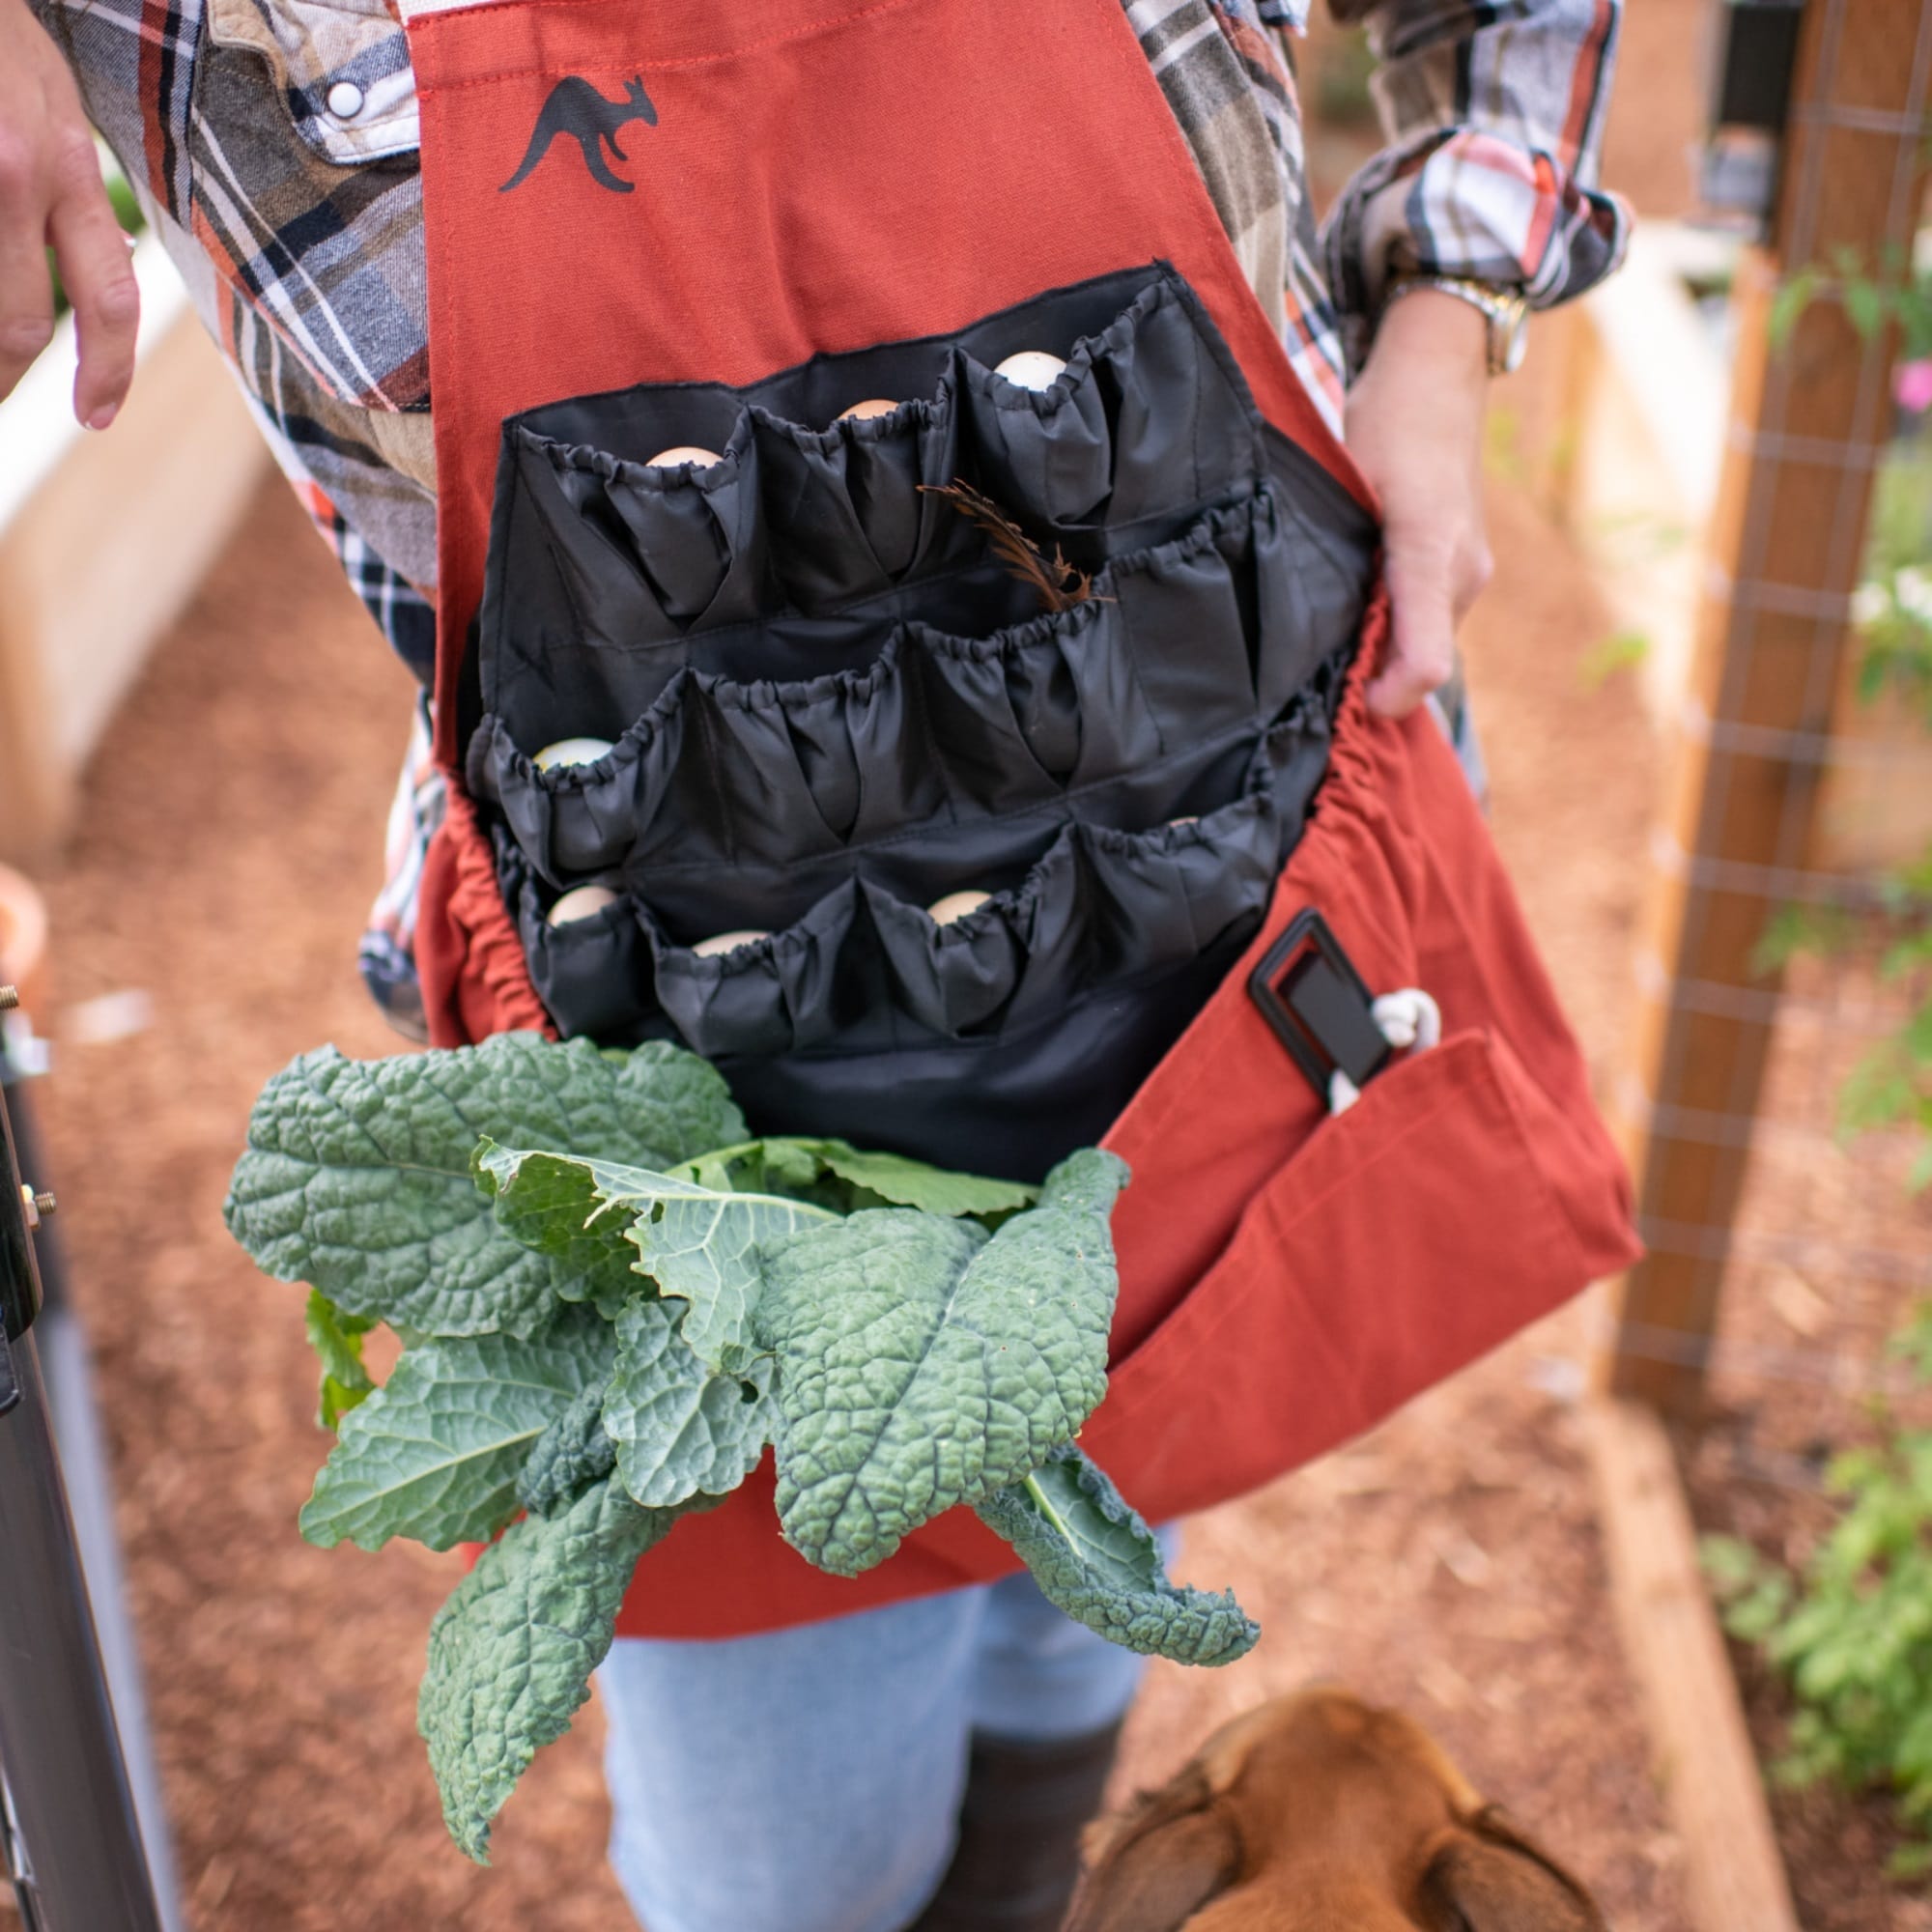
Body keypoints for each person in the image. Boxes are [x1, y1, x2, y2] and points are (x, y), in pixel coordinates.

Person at [0, 4, 1628, 1927]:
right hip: (707, 1157)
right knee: (786, 1881)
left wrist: (1442, 328)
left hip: (1208, 959)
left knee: (1088, 1602)